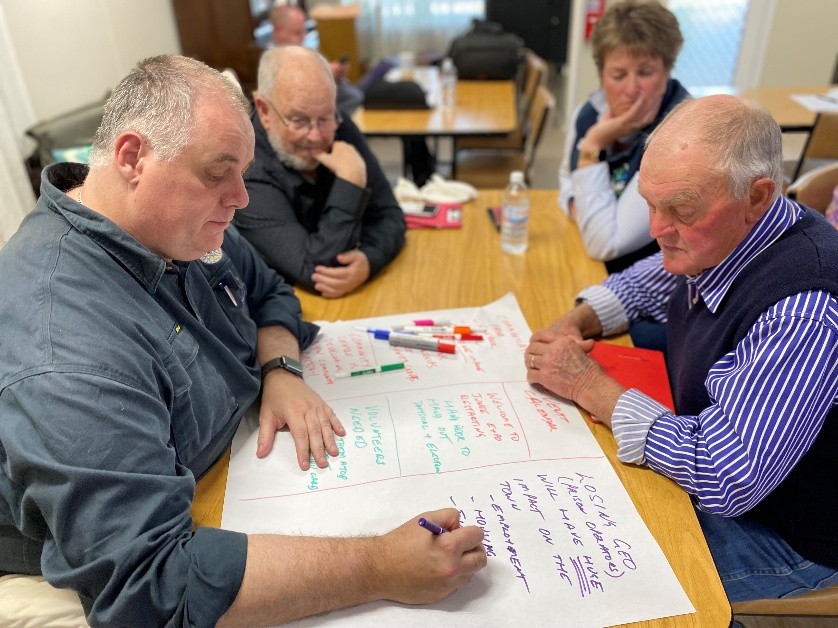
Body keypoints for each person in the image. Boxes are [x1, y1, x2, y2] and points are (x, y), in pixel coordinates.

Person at [0, 54, 486, 626]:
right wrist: (377, 567)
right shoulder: (68, 347)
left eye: (244, 171)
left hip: (224, 473)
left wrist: (280, 368)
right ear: (133, 157)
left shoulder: (174, 224)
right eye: (218, 172)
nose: (243, 197)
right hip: (93, 569)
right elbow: (154, 588)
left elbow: (271, 291)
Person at [529, 94, 838, 604]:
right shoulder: (734, 231)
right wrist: (577, 319)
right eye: (650, 203)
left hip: (788, 530)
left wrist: (589, 385)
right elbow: (655, 275)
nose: (656, 230)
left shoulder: (803, 310)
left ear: (758, 198)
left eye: (680, 209)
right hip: (728, 452)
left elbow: (726, 473)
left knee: (590, 579)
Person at [234, 46, 406, 299]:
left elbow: (390, 215)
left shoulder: (339, 125)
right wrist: (350, 185)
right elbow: (319, 272)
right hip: (289, 308)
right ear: (264, 110)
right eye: (299, 121)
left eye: (325, 119)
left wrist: (369, 259)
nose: (316, 136)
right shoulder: (247, 170)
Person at [558, 0, 689, 274]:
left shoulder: (680, 138)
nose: (631, 89)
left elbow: (605, 243)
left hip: (645, 284)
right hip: (585, 260)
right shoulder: (590, 111)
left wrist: (592, 146)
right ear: (601, 75)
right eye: (618, 75)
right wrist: (586, 216)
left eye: (645, 73)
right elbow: (565, 181)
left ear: (667, 72)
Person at [270, 4, 437, 185]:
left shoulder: (300, 54)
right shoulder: (275, 64)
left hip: (353, 97)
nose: (303, 37)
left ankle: (424, 174)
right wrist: (327, 76)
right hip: (353, 106)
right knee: (399, 86)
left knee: (407, 102)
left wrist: (335, 74)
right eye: (297, 33)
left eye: (304, 31)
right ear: (278, 32)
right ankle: (424, 175)